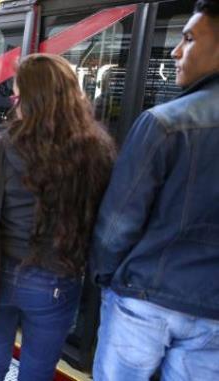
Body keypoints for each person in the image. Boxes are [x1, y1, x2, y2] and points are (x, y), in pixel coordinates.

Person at [90, 1, 219, 379]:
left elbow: (118, 222)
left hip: (144, 296)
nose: (177, 52)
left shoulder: (165, 123)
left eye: (189, 38)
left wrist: (105, 277)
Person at [0, 54, 116, 381]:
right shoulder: (95, 148)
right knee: (37, 369)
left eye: (18, 93)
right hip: (57, 276)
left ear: (31, 98)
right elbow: (102, 217)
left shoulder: (1, 145)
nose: (13, 99)